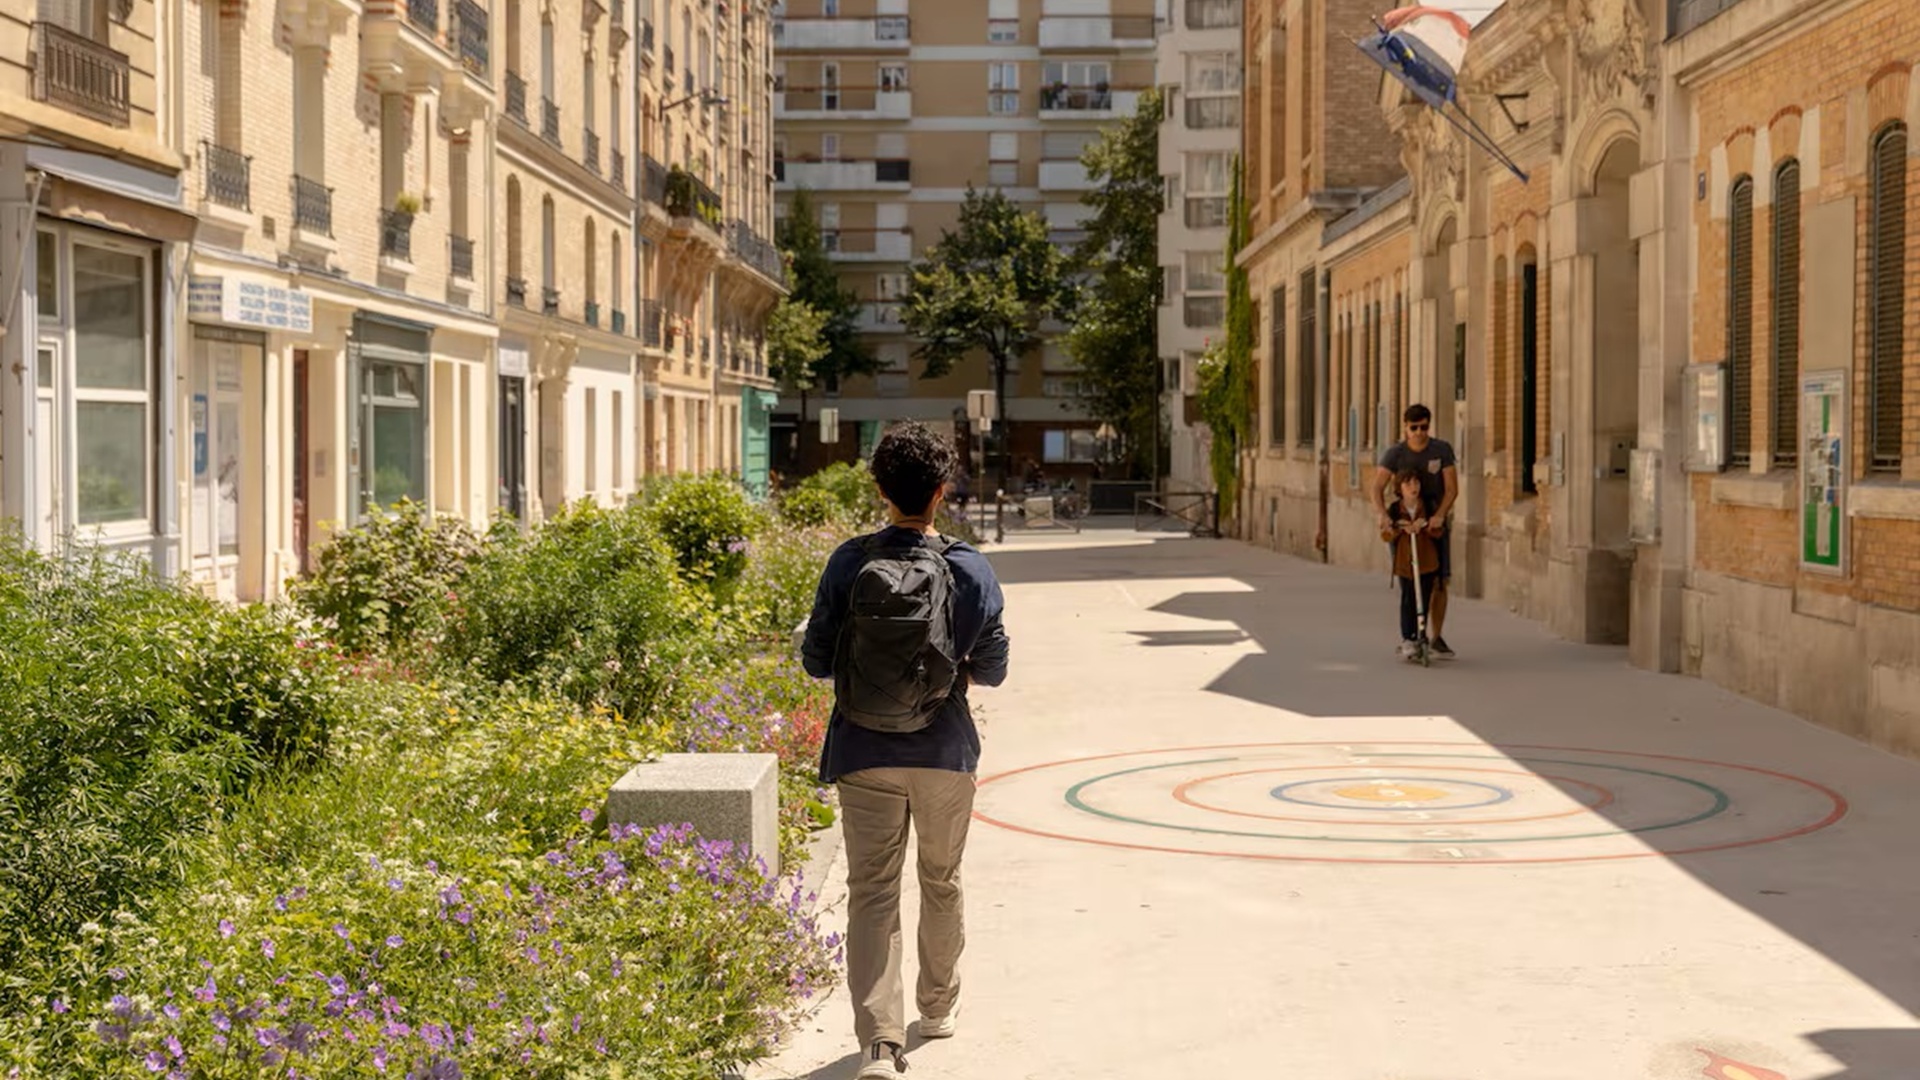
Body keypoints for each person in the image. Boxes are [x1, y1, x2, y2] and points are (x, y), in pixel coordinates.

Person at [801, 421, 1011, 1079]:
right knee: (940, 878)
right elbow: (995, 668)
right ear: (942, 491)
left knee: (872, 890)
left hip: (864, 750)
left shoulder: (848, 561)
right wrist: (947, 671)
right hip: (945, 751)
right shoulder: (968, 566)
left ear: (880, 490)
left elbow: (816, 661)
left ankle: (878, 1043)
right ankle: (937, 1008)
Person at [1372, 404, 1459, 657]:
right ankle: (1410, 635)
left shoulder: (1441, 450)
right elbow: (1377, 487)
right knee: (1409, 580)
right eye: (1414, 428)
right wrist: (1383, 516)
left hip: (1432, 522)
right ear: (1405, 428)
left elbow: (1451, 488)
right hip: (1404, 524)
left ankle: (1436, 637)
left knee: (1439, 580)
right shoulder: (1396, 454)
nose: (1419, 432)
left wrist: (1440, 515)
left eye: (1424, 427)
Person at [1379, 467, 1442, 657]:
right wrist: (1399, 527)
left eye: (1416, 482)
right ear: (1400, 488)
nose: (1413, 487)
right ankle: (1408, 637)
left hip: (1426, 560)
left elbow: (1439, 531)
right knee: (1408, 599)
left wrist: (1427, 525)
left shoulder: (1428, 505)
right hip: (1406, 562)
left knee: (1424, 597)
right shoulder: (1395, 509)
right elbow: (1386, 534)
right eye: (1408, 484)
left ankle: (1422, 635)